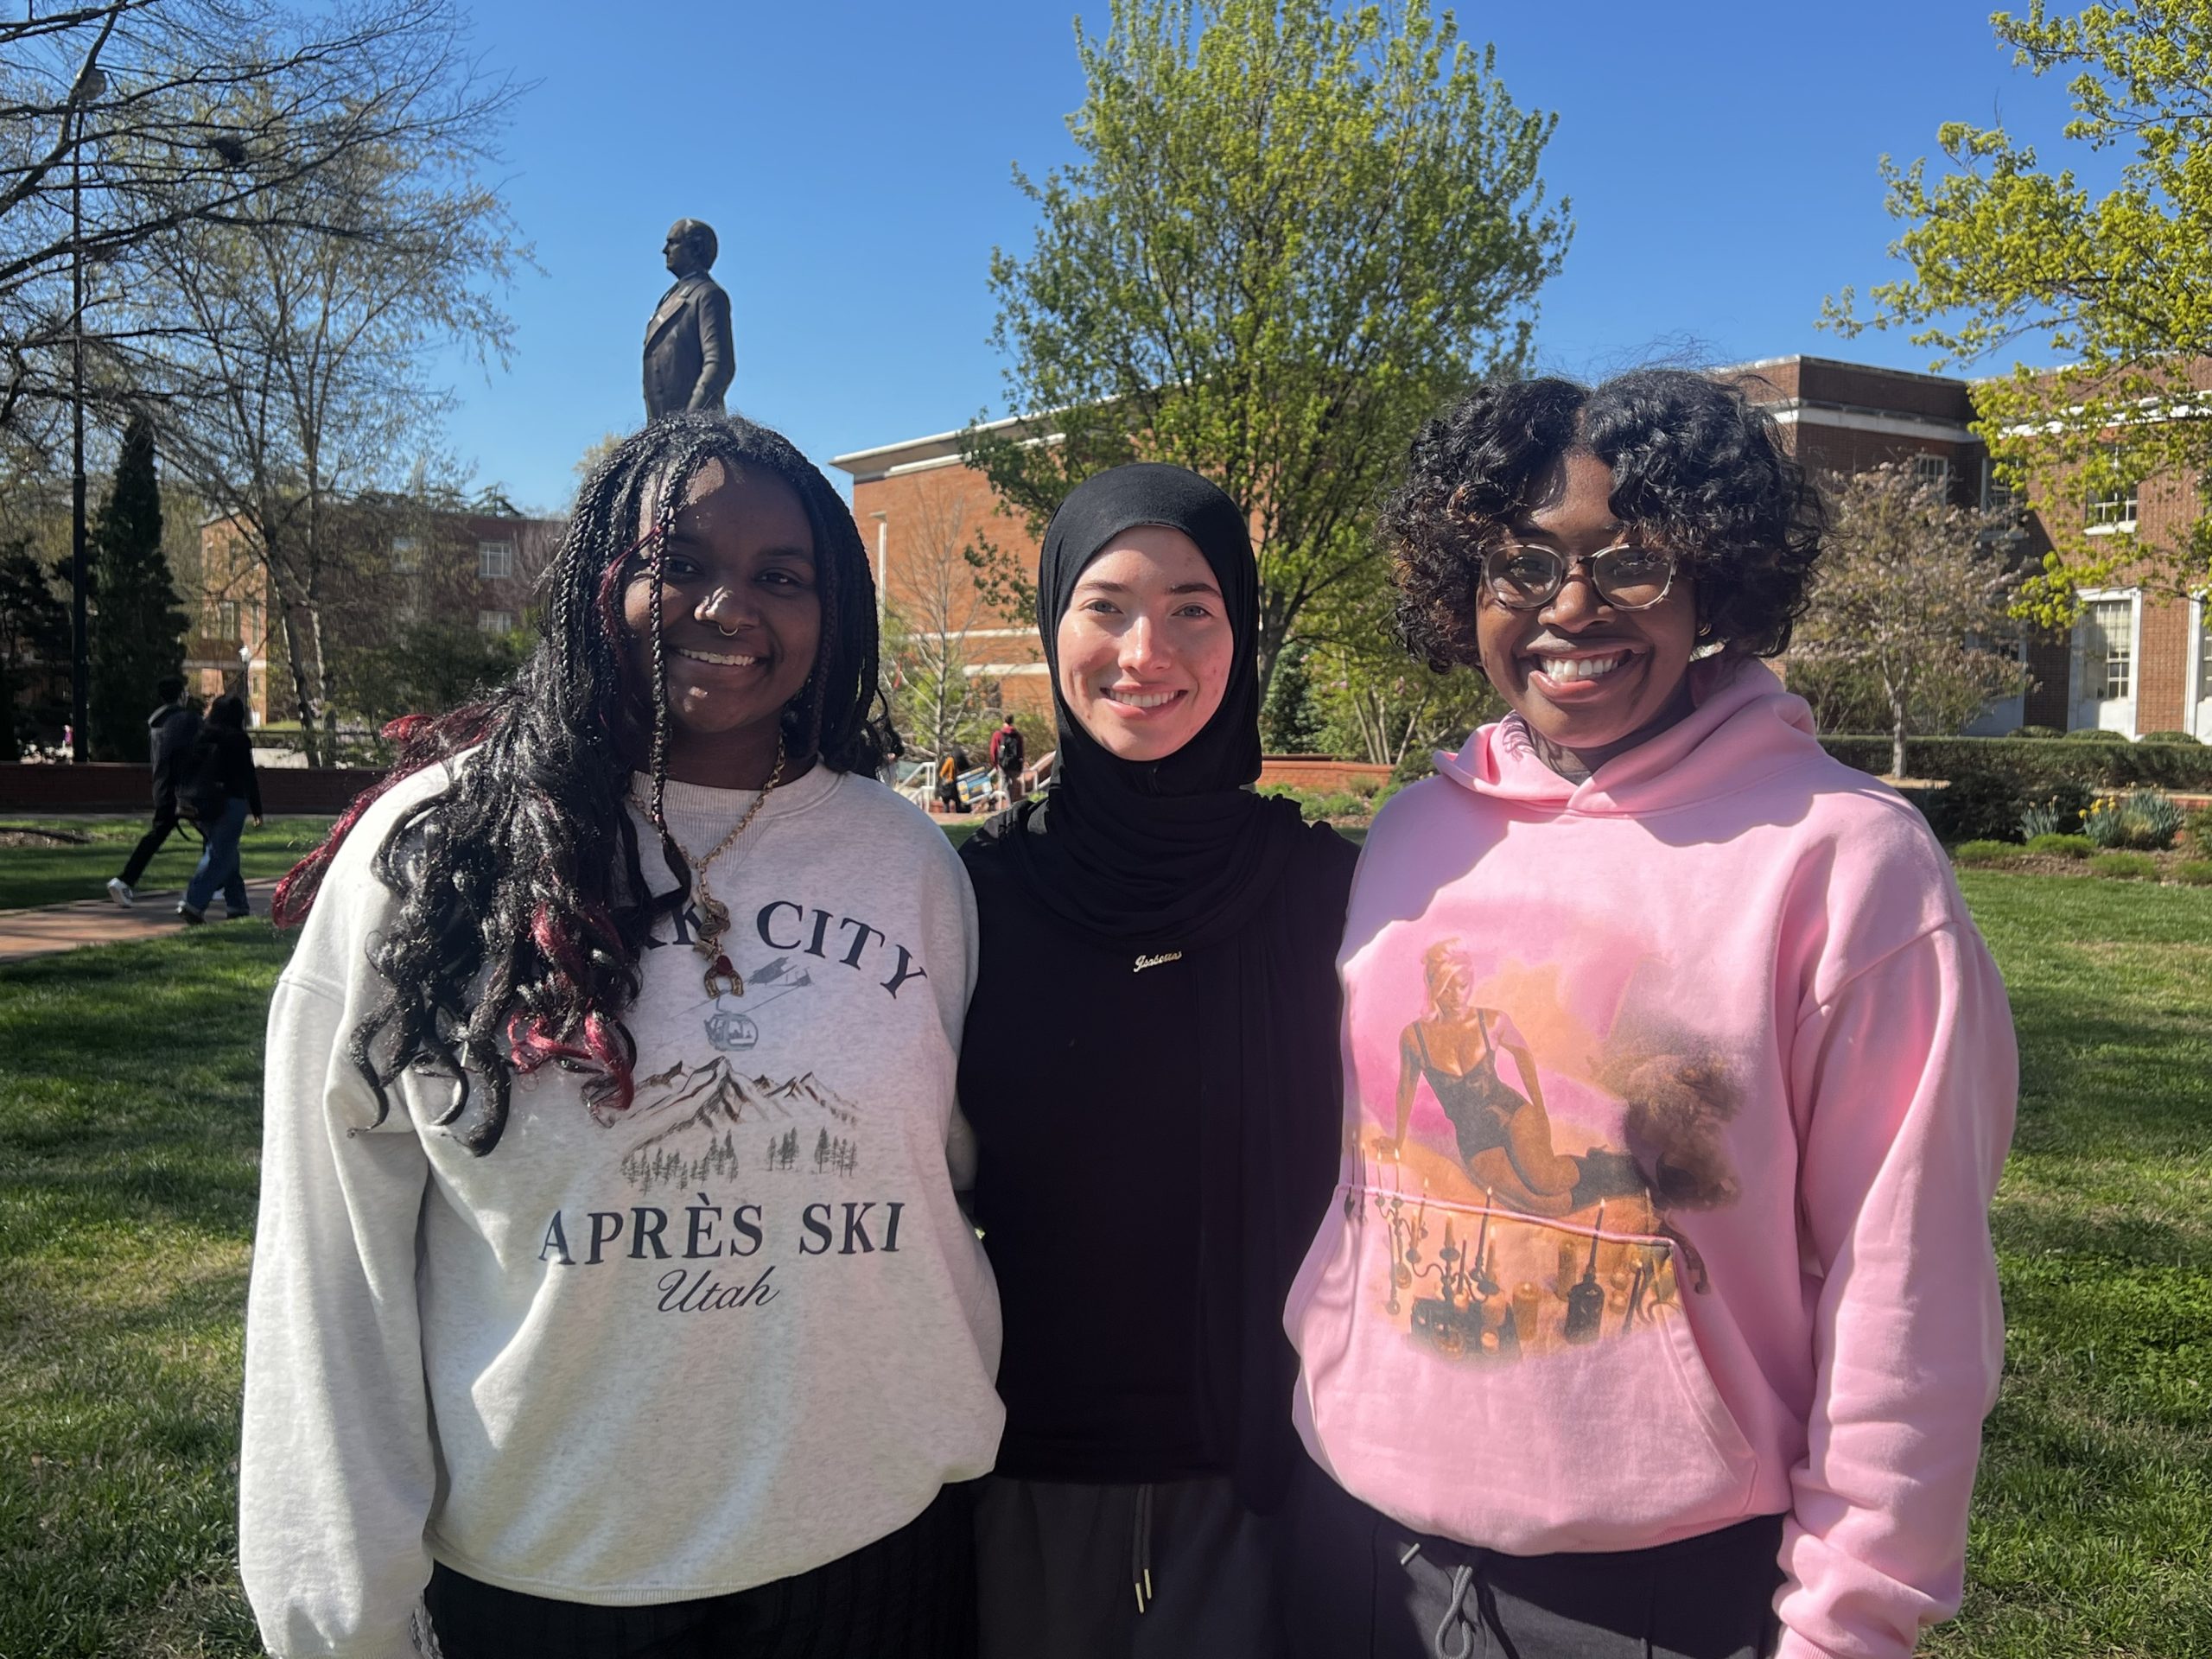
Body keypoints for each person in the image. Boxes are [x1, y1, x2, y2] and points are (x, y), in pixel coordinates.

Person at [239, 414, 1001, 1659]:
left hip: (874, 1546)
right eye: (682, 561)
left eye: (782, 576)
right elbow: (330, 1272)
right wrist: (342, 1617)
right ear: (603, 581)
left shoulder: (905, 858)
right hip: (558, 1572)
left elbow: (954, 1164)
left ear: (835, 610)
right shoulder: (438, 854)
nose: (726, 607)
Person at [1283, 371, 2018, 1659]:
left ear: (1712, 579)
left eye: (1630, 561)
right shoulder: (1411, 836)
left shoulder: (1846, 862)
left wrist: (1851, 1622)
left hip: (1665, 1597)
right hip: (1352, 1540)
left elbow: (1909, 1287)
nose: (1572, 607)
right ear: (1466, 591)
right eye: (1519, 564)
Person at [958, 464, 1358, 1658]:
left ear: (1240, 630)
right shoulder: (968, 900)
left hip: (1275, 1491)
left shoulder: (1334, 897)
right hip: (1016, 1485)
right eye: (1107, 604)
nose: (1149, 648)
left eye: (1194, 606)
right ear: (1052, 627)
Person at [107, 674, 200, 907]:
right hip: (184, 790)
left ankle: (125, 880)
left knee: (156, 836)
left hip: (162, 787)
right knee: (215, 834)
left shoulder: (156, 722)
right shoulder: (184, 720)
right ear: (181, 695)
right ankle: (218, 883)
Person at [175, 693, 261, 924]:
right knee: (219, 854)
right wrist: (257, 808)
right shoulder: (238, 739)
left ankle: (238, 905)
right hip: (231, 800)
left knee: (226, 853)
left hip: (201, 802)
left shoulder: (202, 735)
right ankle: (193, 903)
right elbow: (248, 775)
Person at [988, 715, 1026, 804]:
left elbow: (993, 751)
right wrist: (1021, 763)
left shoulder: (998, 734)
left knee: (1005, 784)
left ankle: (1009, 805)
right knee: (1013, 784)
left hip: (1003, 763)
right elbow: (1021, 751)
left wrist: (996, 764)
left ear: (1003, 721)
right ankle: (1012, 803)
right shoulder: (1018, 735)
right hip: (1015, 763)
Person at [934, 744, 968, 815]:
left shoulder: (953, 761)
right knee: (955, 801)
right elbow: (942, 773)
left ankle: (950, 816)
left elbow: (941, 773)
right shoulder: (951, 760)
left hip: (951, 784)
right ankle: (954, 815)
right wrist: (948, 778)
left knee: (948, 802)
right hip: (950, 783)